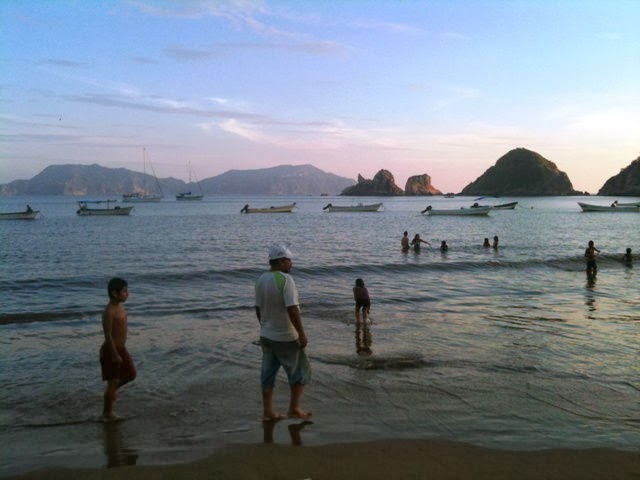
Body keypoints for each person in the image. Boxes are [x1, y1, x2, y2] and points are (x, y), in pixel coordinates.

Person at [255, 244, 311, 421]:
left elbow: (258, 308)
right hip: (286, 337)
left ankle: (268, 411)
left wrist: (264, 326)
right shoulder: (286, 280)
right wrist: (301, 334)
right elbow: (292, 309)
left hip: (266, 335)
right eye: (289, 260)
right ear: (280, 261)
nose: (291, 264)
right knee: (300, 373)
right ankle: (294, 408)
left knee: (268, 374)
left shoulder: (261, 279)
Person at [100, 277, 136, 421]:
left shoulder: (120, 307)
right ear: (115, 293)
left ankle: (110, 392)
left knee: (131, 374)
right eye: (124, 291)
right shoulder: (109, 311)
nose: (127, 294)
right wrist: (114, 354)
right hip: (111, 350)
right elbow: (108, 335)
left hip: (121, 348)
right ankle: (107, 413)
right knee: (113, 381)